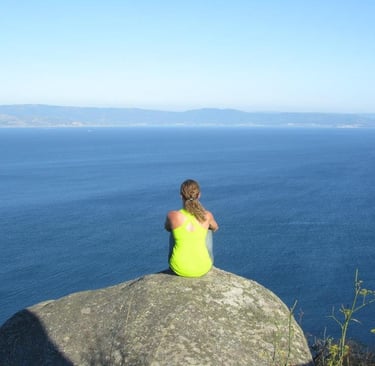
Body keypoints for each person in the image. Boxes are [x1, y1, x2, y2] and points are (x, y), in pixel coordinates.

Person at [165, 179, 219, 277]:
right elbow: (215, 227)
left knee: (174, 230)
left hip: (178, 267)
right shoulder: (207, 215)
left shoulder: (173, 215)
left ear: (181, 196)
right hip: (203, 267)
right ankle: (203, 258)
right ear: (199, 195)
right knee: (209, 229)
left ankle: (174, 260)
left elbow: (167, 228)